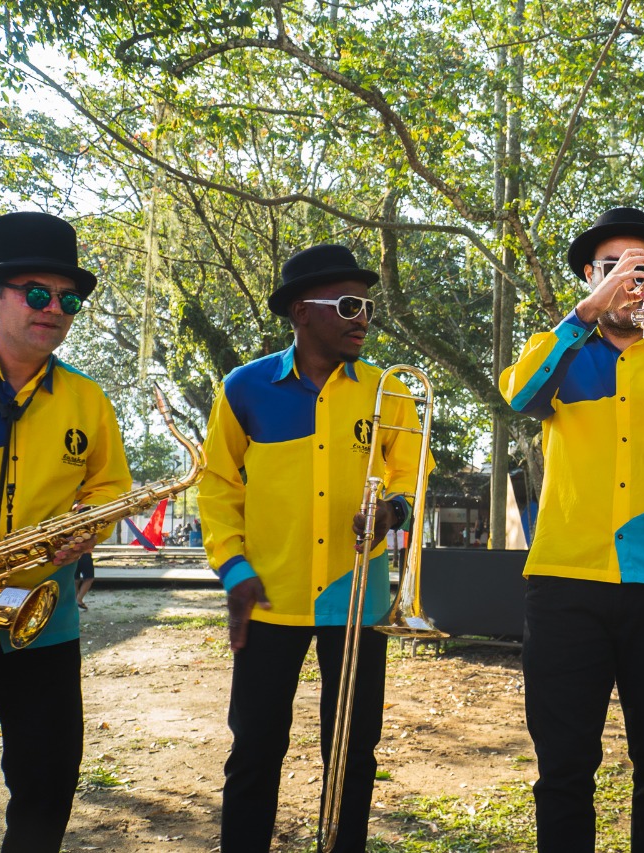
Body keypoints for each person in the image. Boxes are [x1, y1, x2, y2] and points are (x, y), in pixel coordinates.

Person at [500, 207, 644, 852]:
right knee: (564, 768)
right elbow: (520, 400)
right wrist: (581, 314)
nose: (630, 281)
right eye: (615, 269)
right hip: (565, 582)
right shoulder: (554, 350)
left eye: (643, 268)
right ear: (589, 275)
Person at [198, 243, 432, 853]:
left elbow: (412, 474)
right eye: (350, 305)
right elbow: (217, 487)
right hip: (269, 596)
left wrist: (394, 509)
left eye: (368, 308)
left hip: (356, 602)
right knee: (254, 748)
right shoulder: (244, 387)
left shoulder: (388, 391)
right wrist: (233, 567)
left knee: (354, 750)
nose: (362, 318)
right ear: (302, 311)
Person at [0, 211, 131, 852]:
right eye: (37, 293)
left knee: (48, 781)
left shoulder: (89, 399)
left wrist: (89, 527)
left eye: (68, 298)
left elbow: (108, 489)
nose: (55, 307)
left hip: (38, 620)